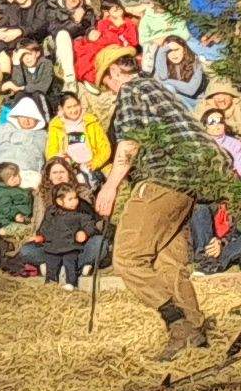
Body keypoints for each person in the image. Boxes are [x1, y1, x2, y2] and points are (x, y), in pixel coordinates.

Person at [93, 44, 228, 357]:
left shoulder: (130, 92)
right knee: (170, 262)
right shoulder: (159, 88)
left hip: (163, 177)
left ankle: (175, 320)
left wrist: (110, 187)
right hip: (193, 181)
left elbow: (129, 143)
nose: (109, 90)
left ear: (114, 72)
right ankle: (194, 334)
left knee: (127, 257)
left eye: (106, 83)